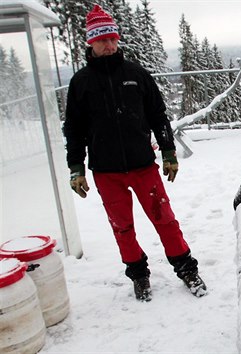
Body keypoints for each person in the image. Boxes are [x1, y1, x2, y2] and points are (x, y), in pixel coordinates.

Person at [63, 5, 206, 302]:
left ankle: (185, 267)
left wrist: (168, 151)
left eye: (113, 39)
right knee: (122, 227)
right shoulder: (81, 83)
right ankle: (139, 275)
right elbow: (73, 129)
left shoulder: (136, 74)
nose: (109, 45)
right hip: (106, 171)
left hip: (143, 166)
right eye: (102, 40)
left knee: (164, 218)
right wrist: (76, 167)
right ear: (91, 42)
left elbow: (158, 115)